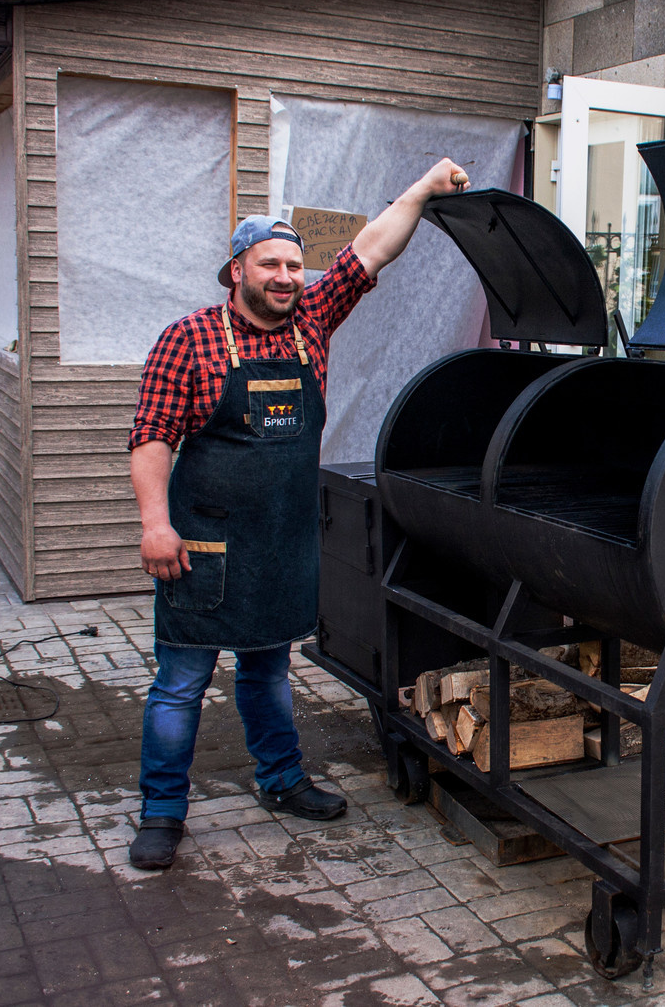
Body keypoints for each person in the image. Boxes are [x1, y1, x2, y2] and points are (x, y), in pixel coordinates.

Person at [127, 158, 470, 870]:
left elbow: (370, 249)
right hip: (204, 544)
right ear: (236, 272)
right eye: (270, 265)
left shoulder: (310, 322)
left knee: (267, 671)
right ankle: (162, 809)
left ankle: (281, 779)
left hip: (282, 541)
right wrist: (155, 524)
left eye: (294, 265)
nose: (287, 277)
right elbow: (153, 436)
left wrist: (422, 189)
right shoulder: (187, 338)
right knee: (181, 682)